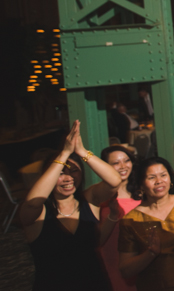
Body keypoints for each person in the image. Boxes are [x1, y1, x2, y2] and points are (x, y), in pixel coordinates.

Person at [20, 120, 122, 291]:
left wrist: (82, 151)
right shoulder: (40, 211)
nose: (69, 178)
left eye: (74, 171)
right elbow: (32, 203)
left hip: (94, 285)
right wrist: (63, 154)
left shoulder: (89, 199)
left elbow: (114, 181)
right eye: (61, 173)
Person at [119, 157, 174, 291]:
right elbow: (125, 270)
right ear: (141, 185)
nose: (159, 181)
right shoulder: (131, 220)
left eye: (163, 175)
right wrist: (150, 253)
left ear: (170, 179)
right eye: (151, 177)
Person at [99, 146, 141, 291]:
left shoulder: (142, 193)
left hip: (143, 263)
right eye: (116, 163)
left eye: (126, 160)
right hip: (113, 263)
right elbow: (95, 239)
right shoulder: (99, 197)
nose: (123, 166)